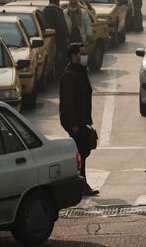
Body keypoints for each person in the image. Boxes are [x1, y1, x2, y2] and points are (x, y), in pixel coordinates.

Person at [59, 43, 98, 196]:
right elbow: (68, 102)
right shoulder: (70, 75)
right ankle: (80, 185)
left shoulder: (80, 72)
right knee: (81, 152)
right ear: (74, 56)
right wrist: (74, 124)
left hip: (82, 120)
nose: (84, 56)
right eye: (82, 53)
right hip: (75, 122)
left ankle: (79, 183)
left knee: (83, 151)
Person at [43, 0, 70, 74]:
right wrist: (66, 35)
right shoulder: (58, 11)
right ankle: (61, 71)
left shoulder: (44, 10)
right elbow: (62, 24)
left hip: (47, 37)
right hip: (59, 37)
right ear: (57, 2)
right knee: (63, 54)